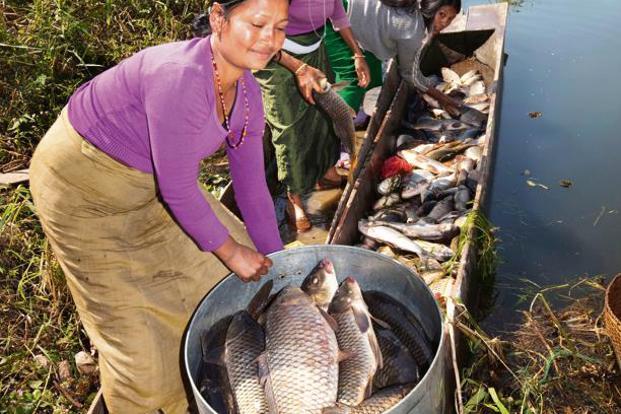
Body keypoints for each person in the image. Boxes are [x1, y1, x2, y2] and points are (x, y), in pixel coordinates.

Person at [28, 0, 288, 412]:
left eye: (280, 27)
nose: (269, 39)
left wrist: (282, 264)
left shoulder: (248, 94)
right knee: (141, 359)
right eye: (257, 24)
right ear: (219, 18)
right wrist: (233, 252)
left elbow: (254, 188)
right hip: (82, 191)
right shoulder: (181, 77)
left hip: (154, 187)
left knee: (240, 271)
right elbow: (181, 190)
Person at [253, 0, 371, 233]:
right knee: (289, 128)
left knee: (324, 116)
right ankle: (293, 198)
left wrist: (358, 54)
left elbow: (338, 16)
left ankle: (326, 169)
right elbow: (259, 35)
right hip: (274, 55)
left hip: (314, 49)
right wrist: (298, 68)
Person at [325, 0, 460, 111]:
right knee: (352, 80)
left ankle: (361, 117)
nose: (445, 23)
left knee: (373, 80)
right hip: (336, 15)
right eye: (442, 15)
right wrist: (442, 98)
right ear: (431, 8)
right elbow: (410, 75)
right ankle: (336, 135)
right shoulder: (412, 30)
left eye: (451, 18)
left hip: (359, 24)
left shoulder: (414, 8)